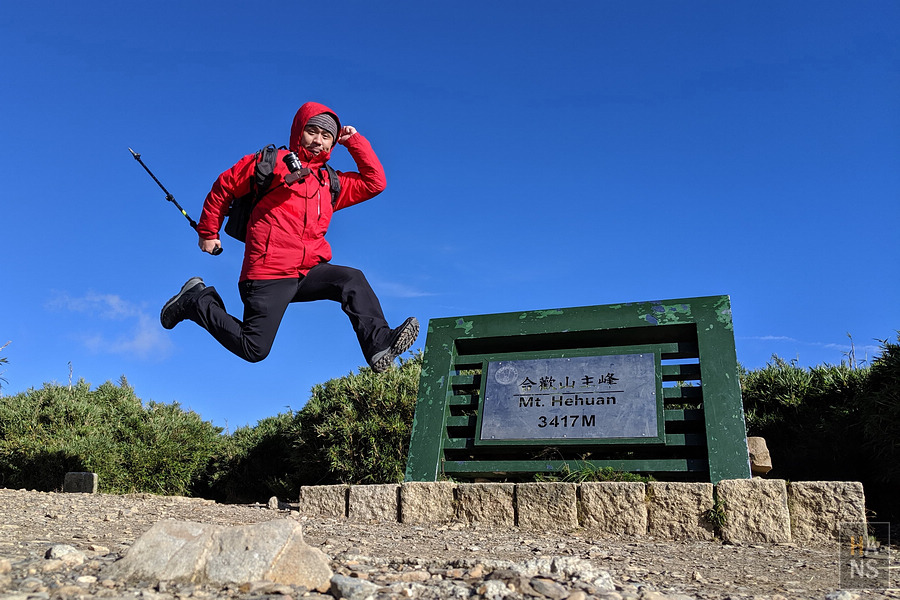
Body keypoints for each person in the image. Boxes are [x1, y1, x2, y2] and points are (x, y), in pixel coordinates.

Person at [159, 101, 418, 373]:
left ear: (332, 143)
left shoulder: (330, 182)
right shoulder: (270, 163)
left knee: (351, 279)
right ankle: (197, 301)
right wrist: (208, 231)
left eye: (326, 135)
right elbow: (224, 186)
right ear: (299, 131)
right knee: (254, 349)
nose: (318, 140)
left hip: (306, 272)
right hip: (267, 273)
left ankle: (378, 343)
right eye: (312, 131)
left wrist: (353, 141)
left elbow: (375, 182)